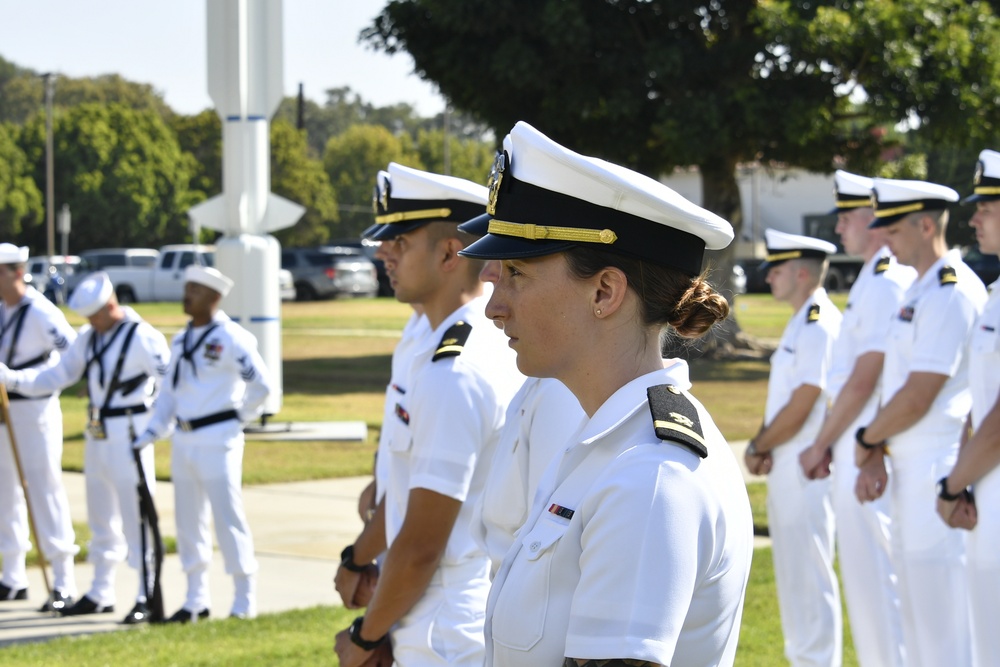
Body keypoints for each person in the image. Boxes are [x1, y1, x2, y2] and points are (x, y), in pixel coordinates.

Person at [460, 121, 753, 666]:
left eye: (518, 273)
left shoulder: (649, 474)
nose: (494, 305)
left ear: (604, 290)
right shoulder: (606, 443)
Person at [333, 163, 522, 667]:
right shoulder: (444, 342)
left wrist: (364, 637)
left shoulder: (454, 369)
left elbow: (422, 543)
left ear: (449, 252)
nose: (383, 252)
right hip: (437, 607)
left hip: (444, 624)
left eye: (401, 239)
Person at [855, 177, 985, 667]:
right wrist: (879, 452)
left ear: (926, 224)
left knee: (944, 626)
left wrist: (868, 438)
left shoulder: (950, 291)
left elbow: (918, 395)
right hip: (911, 466)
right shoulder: (920, 288)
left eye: (892, 228)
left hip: (939, 464)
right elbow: (900, 387)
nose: (883, 237)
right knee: (918, 620)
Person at [0, 271, 170, 624]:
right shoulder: (89, 337)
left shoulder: (143, 336)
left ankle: (145, 592)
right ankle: (100, 590)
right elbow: (57, 376)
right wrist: (12, 378)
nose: (92, 322)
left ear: (112, 305)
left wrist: (154, 429)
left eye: (97, 315)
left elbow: (170, 385)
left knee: (134, 515)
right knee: (100, 513)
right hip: (98, 431)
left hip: (131, 429)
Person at [797, 171, 912, 667]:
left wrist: (821, 442)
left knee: (881, 591)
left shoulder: (886, 283)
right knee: (867, 589)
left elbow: (866, 380)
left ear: (875, 219)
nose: (840, 228)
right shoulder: (872, 280)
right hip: (858, 445)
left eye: (848, 217)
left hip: (870, 448)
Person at [130, 265, 272, 622]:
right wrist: (151, 431)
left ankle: (243, 599)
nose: (186, 294)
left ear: (214, 297)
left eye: (194, 289)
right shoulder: (181, 339)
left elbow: (262, 386)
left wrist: (239, 417)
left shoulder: (232, 338)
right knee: (189, 521)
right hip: (184, 439)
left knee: (228, 518)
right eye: (187, 287)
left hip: (218, 439)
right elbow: (169, 395)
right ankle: (196, 600)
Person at [457, 214, 587, 577]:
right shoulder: (545, 379)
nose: (488, 280)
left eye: (514, 269)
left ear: (603, 291)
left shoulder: (565, 394)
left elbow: (550, 575)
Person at [744, 228, 843, 667]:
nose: (769, 277)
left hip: (807, 466)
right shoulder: (802, 319)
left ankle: (817, 661)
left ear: (802, 272)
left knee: (809, 578)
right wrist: (765, 443)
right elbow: (786, 398)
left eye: (777, 269)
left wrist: (760, 443)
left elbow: (806, 399)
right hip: (789, 462)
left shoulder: (819, 323)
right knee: (795, 576)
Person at [936, 148, 1000, 667]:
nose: (974, 218)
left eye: (987, 207)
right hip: (986, 492)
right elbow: (981, 406)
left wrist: (952, 485)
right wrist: (966, 480)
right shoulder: (996, 292)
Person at [0, 243, 78, 611]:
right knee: (6, 494)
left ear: (17, 272)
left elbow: (72, 358)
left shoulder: (42, 312)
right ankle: (13, 576)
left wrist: (21, 379)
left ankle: (63, 581)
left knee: (44, 492)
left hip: (35, 410)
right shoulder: (2, 309)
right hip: (4, 412)